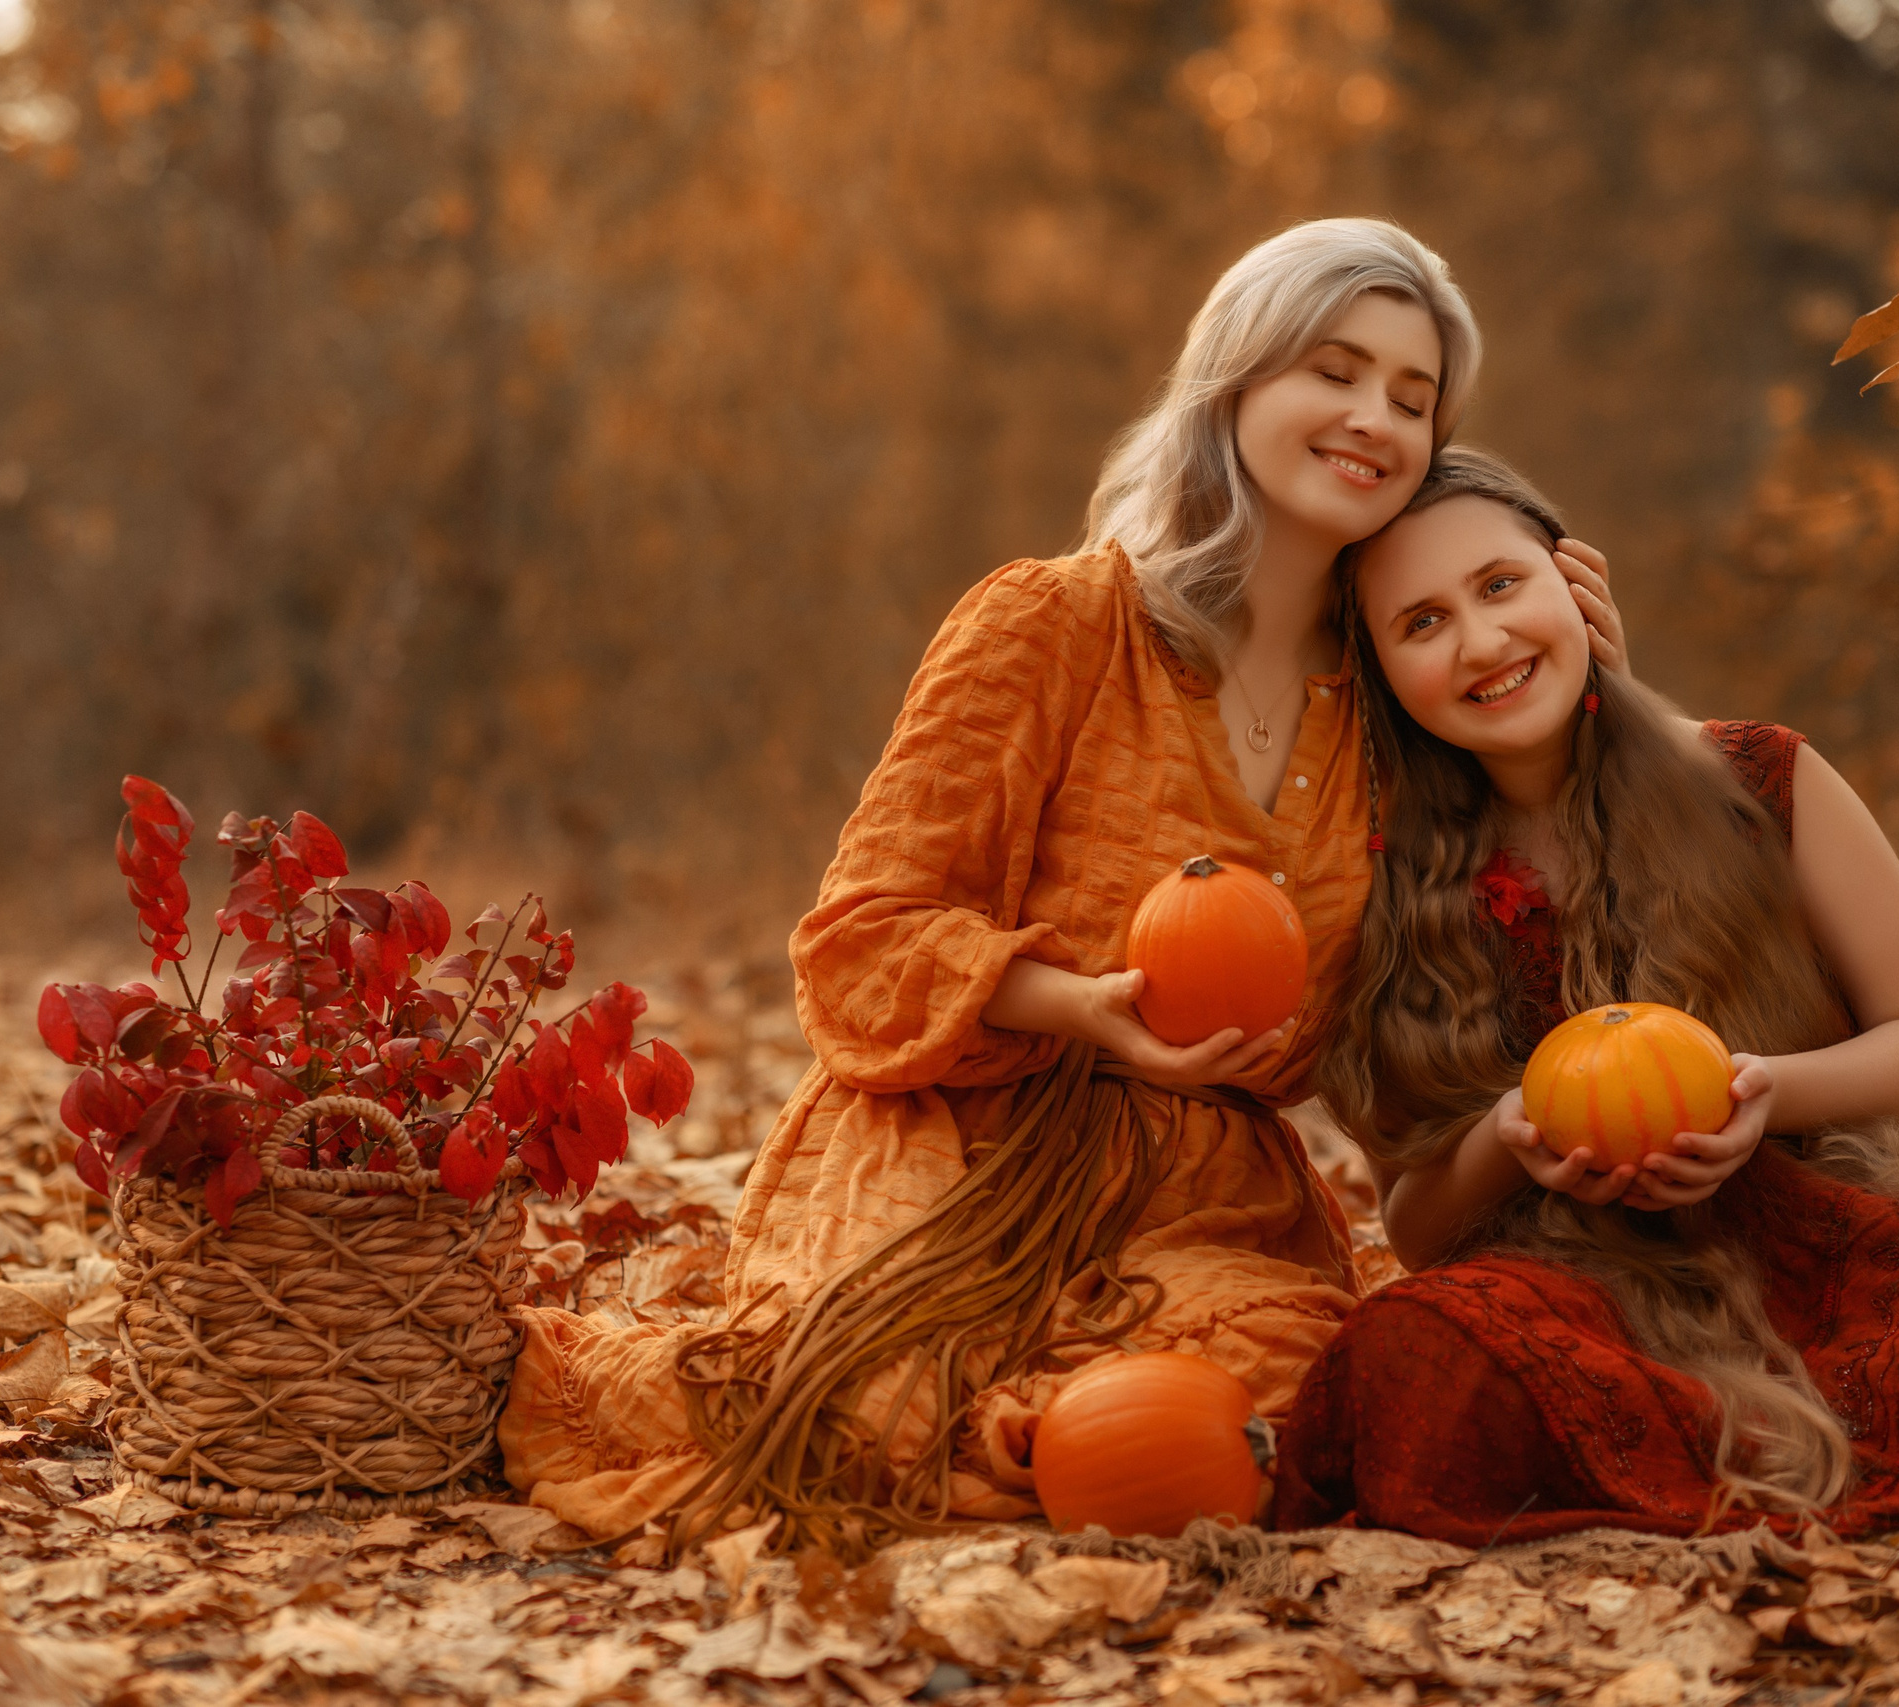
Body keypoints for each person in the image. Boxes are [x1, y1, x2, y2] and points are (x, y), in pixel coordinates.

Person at [495, 220, 1631, 1556]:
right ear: (1238, 379)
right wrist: (1081, 1002)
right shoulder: (1055, 622)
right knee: (865, 1400)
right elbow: (857, 944)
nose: (1374, 416)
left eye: (1413, 396)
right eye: (1336, 369)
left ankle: (1070, 1429)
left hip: (1201, 1199)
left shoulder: (1396, 701)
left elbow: (1487, 973)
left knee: (1302, 1388)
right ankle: (934, 1408)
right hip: (961, 1135)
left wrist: (1579, 705)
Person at [1274, 447, 1899, 1557]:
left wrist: (1764, 1090)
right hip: (1601, 1295)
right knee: (1410, 1358)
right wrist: (1507, 1140)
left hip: (1853, 1248)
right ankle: (1721, 1457)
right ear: (1374, 669)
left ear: (1577, 585)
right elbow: (1418, 1232)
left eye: (1500, 585)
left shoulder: (1755, 779)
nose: (1480, 641)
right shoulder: (1385, 886)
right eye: (1419, 624)